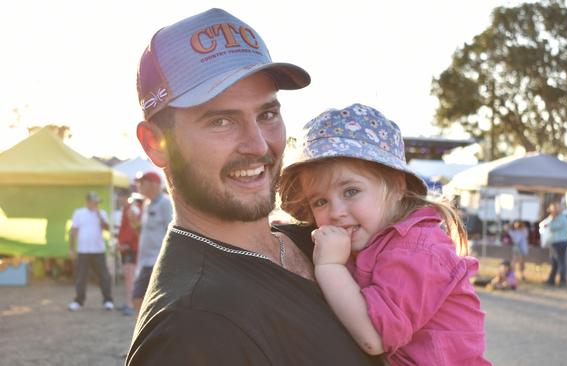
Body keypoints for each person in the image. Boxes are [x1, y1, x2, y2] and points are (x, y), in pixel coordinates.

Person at [126, 9, 382, 365]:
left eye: (267, 114)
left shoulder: (317, 241)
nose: (259, 145)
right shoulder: (191, 327)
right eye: (221, 121)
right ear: (154, 143)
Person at [278, 104, 491, 365]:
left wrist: (329, 266)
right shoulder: (370, 241)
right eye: (320, 202)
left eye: (351, 191)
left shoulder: (416, 248)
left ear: (397, 186)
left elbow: (374, 336)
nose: (335, 212)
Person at [131, 171, 172, 314]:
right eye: (138, 182)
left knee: (140, 298)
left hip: (157, 261)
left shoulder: (166, 203)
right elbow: (146, 231)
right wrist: (134, 224)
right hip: (145, 261)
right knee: (139, 299)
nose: (138, 185)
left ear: (155, 184)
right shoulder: (147, 204)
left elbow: (171, 231)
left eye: (142, 182)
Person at [68, 191, 114, 311]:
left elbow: (107, 229)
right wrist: (71, 248)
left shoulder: (102, 213)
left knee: (103, 276)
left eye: (97, 202)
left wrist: (99, 216)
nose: (96, 204)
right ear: (88, 202)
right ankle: (79, 301)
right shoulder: (79, 213)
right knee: (80, 277)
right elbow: (73, 231)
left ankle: (108, 300)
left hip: (98, 250)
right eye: (95, 202)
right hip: (83, 251)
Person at [116, 190, 143, 316]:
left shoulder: (133, 208)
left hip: (131, 247)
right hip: (128, 246)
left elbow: (134, 228)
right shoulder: (129, 208)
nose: (118, 199)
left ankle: (130, 304)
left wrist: (125, 243)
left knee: (129, 276)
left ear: (125, 197)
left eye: (119, 196)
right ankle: (129, 303)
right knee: (129, 276)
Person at [542, 202, 567, 286]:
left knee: (560, 261)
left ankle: (562, 280)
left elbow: (552, 227)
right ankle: (551, 279)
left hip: (559, 242)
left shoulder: (560, 218)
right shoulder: (559, 218)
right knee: (555, 261)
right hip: (556, 242)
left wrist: (550, 221)